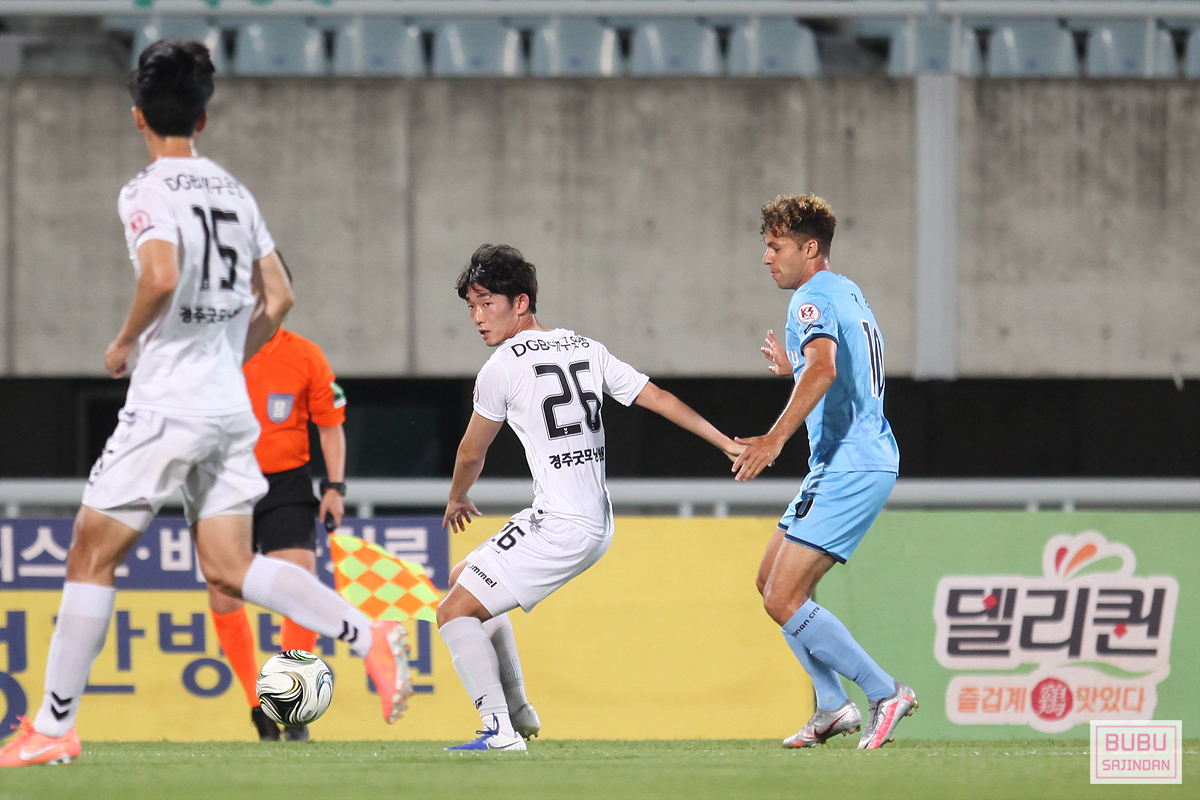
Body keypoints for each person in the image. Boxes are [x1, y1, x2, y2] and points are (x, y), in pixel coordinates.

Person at [0, 39, 410, 769]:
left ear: (137, 116)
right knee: (229, 566)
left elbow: (159, 276)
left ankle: (53, 726)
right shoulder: (234, 192)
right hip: (228, 409)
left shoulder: (146, 190)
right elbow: (280, 296)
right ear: (203, 118)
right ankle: (365, 633)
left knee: (90, 551)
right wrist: (231, 353)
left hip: (169, 404)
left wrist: (125, 341)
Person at [438, 244, 742, 751]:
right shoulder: (584, 347)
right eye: (471, 306)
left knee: (453, 613)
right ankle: (519, 712)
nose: (477, 317)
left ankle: (499, 731)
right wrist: (725, 442)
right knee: (462, 580)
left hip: (561, 526)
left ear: (521, 302)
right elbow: (657, 398)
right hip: (591, 520)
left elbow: (471, 452)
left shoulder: (501, 367)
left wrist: (457, 497)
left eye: (487, 303)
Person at [731, 194, 915, 750]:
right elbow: (838, 364)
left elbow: (826, 368)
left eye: (777, 246)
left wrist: (774, 438)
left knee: (783, 598)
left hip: (852, 463)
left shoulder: (809, 298)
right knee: (770, 583)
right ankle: (832, 705)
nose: (767, 258)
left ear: (810, 248)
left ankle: (884, 692)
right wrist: (796, 367)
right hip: (847, 460)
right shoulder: (845, 290)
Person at [210, 325, 349, 742]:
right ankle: (258, 706)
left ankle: (293, 701)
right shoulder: (211, 345)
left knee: (299, 581)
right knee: (223, 591)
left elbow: (330, 424)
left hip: (286, 482)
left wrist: (334, 487)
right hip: (222, 480)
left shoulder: (304, 354)